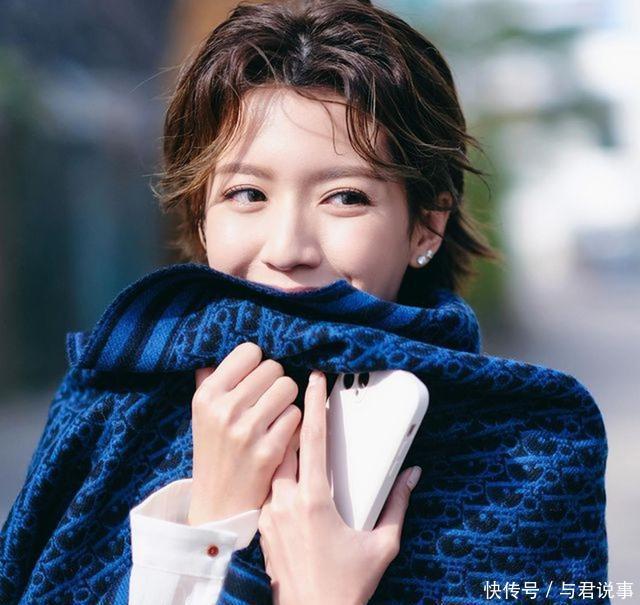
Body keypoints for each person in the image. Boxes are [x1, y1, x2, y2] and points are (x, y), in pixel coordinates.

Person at [127, 0, 501, 603]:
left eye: (345, 197)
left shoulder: (525, 446)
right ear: (201, 216)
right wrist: (213, 517)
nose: (287, 250)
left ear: (426, 225)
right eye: (247, 193)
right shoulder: (115, 408)